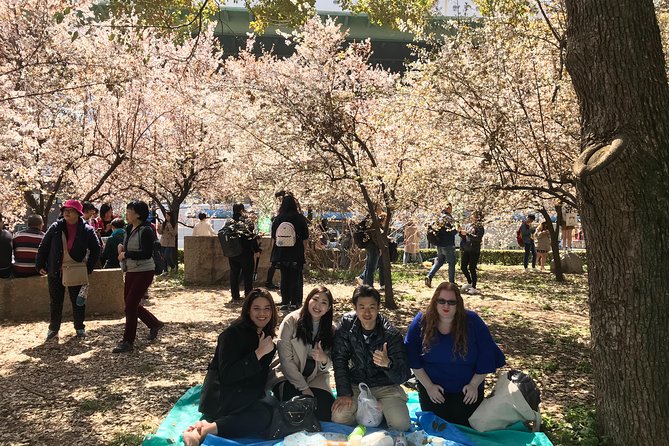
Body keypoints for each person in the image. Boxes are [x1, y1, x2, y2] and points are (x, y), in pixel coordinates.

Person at [183, 289, 278, 446]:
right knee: (262, 415)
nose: (262, 313)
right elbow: (227, 375)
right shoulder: (231, 335)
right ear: (248, 310)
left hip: (244, 394)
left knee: (268, 412)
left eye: (267, 308)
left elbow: (258, 378)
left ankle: (208, 428)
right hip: (221, 395)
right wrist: (258, 354)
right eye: (256, 308)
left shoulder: (266, 339)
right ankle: (202, 432)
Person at [404, 282, 505, 427]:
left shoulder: (473, 321)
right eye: (441, 301)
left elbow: (487, 354)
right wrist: (429, 386)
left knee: (463, 422)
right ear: (435, 301)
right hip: (434, 389)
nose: (446, 306)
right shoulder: (421, 321)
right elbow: (412, 358)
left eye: (451, 302)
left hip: (466, 389)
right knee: (437, 422)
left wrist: (473, 385)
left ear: (458, 304)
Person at [331, 285, 411, 431]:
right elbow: (339, 359)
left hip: (385, 386)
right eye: (361, 307)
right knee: (339, 417)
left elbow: (404, 375)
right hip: (357, 384)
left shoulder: (390, 334)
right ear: (355, 308)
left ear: (379, 307)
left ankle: (378, 411)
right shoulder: (346, 325)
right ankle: (369, 412)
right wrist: (344, 393)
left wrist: (388, 364)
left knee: (401, 425)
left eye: (372, 307)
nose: (367, 312)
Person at [35, 199, 100, 340]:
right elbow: (44, 246)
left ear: (78, 213)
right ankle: (53, 329)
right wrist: (39, 264)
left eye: (70, 210)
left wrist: (88, 267)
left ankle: (79, 327)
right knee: (55, 301)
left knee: (78, 301)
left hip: (76, 270)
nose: (66, 213)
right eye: (65, 210)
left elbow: (96, 249)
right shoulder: (56, 227)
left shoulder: (87, 230)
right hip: (56, 270)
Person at [268, 286, 336, 421]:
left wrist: (323, 359)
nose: (318, 305)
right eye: (315, 299)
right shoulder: (291, 321)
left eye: (324, 302)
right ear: (307, 300)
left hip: (315, 378)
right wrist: (304, 389)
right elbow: (286, 361)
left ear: (328, 308)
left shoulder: (331, 328)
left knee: (324, 412)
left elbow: (330, 363)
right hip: (288, 376)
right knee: (296, 409)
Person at [113, 200, 164, 353]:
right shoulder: (128, 228)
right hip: (131, 271)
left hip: (144, 271)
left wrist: (126, 254)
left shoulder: (146, 230)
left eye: (129, 212)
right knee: (130, 304)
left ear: (138, 214)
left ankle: (128, 341)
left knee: (130, 305)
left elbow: (146, 253)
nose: (127, 214)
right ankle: (154, 323)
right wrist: (122, 250)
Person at [271, 194, 309, 310]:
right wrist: (304, 251)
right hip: (296, 253)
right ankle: (295, 302)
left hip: (282, 253)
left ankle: (284, 302)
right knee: (296, 278)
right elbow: (305, 237)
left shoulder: (278, 218)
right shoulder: (299, 218)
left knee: (284, 278)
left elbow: (274, 237)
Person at [228, 204, 261, 302]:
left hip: (232, 252)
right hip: (246, 252)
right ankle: (248, 294)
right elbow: (251, 238)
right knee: (247, 274)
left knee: (234, 273)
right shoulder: (247, 222)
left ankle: (235, 295)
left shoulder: (229, 222)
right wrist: (256, 250)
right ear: (242, 210)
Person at [425, 204, 458, 287]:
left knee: (439, 261)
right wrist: (457, 230)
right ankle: (451, 282)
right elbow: (450, 232)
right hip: (448, 244)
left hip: (439, 244)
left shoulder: (438, 218)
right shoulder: (448, 218)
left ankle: (429, 276)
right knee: (451, 263)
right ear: (449, 209)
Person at [356, 207, 386, 287]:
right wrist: (380, 247)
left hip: (368, 245)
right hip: (373, 246)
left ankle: (365, 282)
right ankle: (369, 286)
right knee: (371, 268)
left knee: (369, 267)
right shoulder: (374, 220)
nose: (381, 210)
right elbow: (375, 236)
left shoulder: (369, 219)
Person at [264, 190, 286, 290]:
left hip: (278, 241)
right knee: (279, 263)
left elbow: (273, 233)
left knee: (274, 263)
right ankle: (277, 283)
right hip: (285, 241)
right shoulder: (286, 207)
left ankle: (269, 281)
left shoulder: (278, 212)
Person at [459, 212, 485, 295]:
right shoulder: (468, 225)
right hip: (467, 249)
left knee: (472, 268)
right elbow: (465, 237)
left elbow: (478, 238)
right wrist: (461, 232)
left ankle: (474, 286)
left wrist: (468, 234)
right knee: (463, 267)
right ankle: (469, 282)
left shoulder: (480, 227)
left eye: (474, 216)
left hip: (474, 250)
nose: (472, 217)